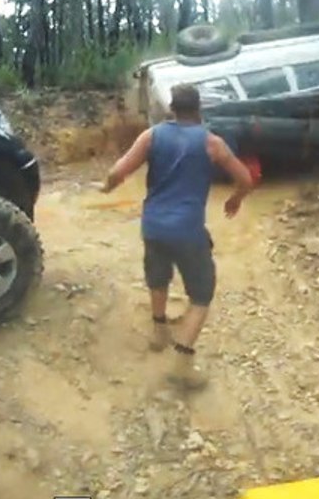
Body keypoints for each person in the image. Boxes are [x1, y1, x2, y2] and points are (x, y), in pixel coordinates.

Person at [100, 83, 254, 389]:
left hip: (153, 227)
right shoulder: (212, 143)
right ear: (199, 109)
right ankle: (182, 363)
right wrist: (235, 200)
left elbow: (118, 172)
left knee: (158, 276)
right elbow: (246, 179)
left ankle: (159, 332)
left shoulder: (151, 136)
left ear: (171, 109)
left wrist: (106, 188)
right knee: (201, 294)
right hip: (188, 231)